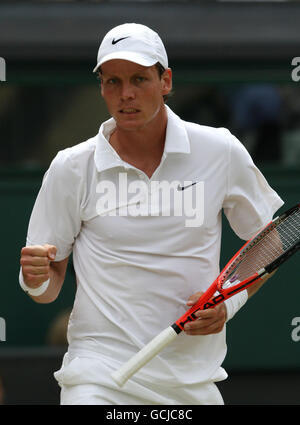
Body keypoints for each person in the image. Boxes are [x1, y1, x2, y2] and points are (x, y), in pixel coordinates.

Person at [19, 23, 284, 405]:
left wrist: (230, 302)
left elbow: (270, 238)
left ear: (166, 80)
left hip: (192, 384)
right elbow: (47, 287)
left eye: (139, 79)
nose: (125, 94)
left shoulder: (220, 150)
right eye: (112, 82)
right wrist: (34, 279)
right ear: (102, 88)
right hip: (97, 378)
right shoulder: (71, 167)